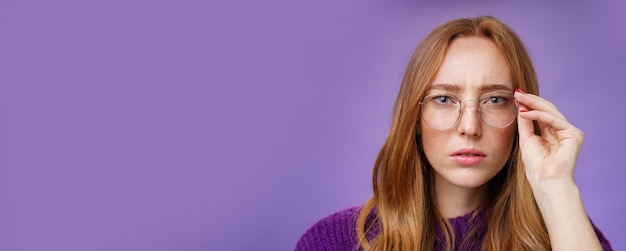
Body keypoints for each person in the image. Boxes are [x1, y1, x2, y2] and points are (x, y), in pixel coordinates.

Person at [295, 16, 613, 251]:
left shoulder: (566, 235)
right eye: (444, 99)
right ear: (415, 117)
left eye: (496, 100)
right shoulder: (334, 241)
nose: (470, 127)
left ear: (523, 114)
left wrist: (556, 187)